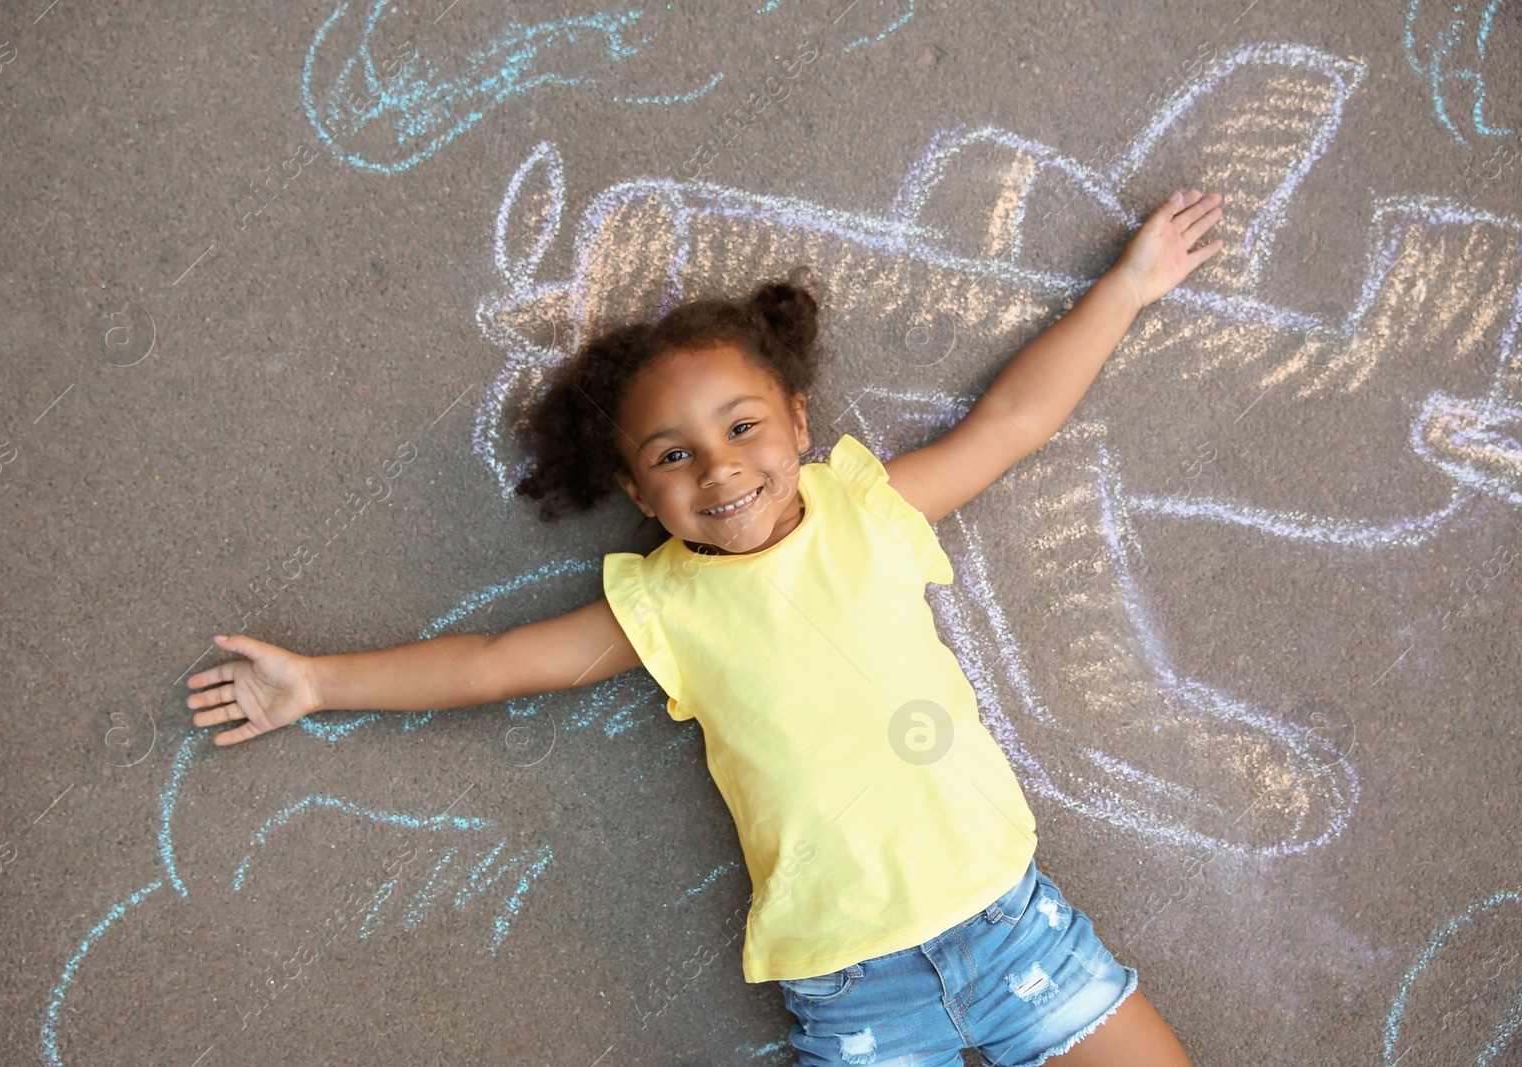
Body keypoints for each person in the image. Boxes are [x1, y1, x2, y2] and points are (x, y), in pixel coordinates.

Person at [187, 189, 1224, 1066]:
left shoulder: (869, 511)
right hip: (853, 983)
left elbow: (1011, 422)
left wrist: (1124, 289)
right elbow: (497, 662)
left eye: (740, 426)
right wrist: (317, 683)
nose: (720, 467)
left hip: (1009, 926)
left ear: (799, 423)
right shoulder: (667, 607)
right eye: (673, 455)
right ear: (637, 490)